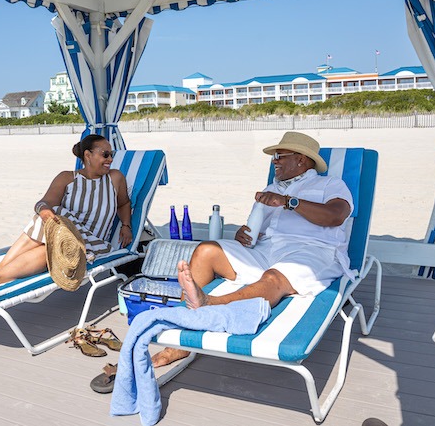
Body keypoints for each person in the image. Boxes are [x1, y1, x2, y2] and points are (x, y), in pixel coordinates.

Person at [152, 131, 355, 367]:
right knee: (207, 250)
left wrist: (290, 202)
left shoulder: (329, 184)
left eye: (279, 155)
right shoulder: (272, 189)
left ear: (300, 159)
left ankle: (210, 304)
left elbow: (336, 216)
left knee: (273, 277)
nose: (274, 161)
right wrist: (245, 234)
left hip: (313, 252)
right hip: (269, 250)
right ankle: (178, 344)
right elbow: (258, 231)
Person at [0, 134, 133, 290]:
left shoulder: (115, 178)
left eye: (111, 154)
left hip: (93, 245)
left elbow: (124, 203)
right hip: (66, 236)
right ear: (88, 155)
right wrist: (44, 211)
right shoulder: (67, 178)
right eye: (105, 155)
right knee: (47, 227)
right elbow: (43, 203)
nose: (110, 159)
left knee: (51, 237)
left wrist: (126, 225)